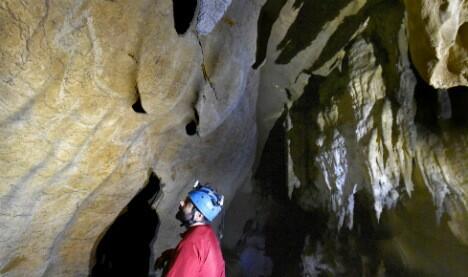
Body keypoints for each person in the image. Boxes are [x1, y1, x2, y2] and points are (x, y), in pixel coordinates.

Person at [154, 181, 226, 277]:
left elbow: (190, 252)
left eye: (187, 202)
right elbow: (189, 257)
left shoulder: (192, 243)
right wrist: (166, 255)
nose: (181, 203)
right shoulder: (206, 235)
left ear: (199, 215)